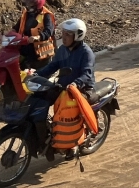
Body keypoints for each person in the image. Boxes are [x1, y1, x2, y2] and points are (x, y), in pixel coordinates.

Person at [31, 18, 95, 160]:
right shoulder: (62, 50)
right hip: (63, 86)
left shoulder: (86, 52)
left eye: (67, 34)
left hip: (81, 89)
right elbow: (52, 66)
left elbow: (87, 74)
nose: (63, 37)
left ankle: (73, 144)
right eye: (63, 33)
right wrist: (36, 74)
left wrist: (76, 83)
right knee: (38, 100)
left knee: (69, 112)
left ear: (78, 35)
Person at [15, 0, 56, 69]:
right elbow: (17, 28)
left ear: (37, 4)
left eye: (30, 2)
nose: (27, 4)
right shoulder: (26, 14)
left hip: (39, 54)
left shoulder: (46, 15)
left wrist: (37, 37)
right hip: (26, 48)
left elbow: (48, 31)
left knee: (32, 75)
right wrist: (6, 35)